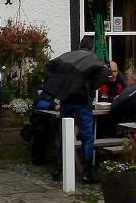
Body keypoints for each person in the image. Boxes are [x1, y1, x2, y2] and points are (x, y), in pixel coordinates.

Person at [41, 37, 108, 183]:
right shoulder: (92, 58)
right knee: (87, 137)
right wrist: (91, 86)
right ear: (91, 48)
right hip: (82, 101)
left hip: (66, 100)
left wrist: (58, 85)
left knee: (63, 134)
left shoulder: (66, 56)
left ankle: (57, 169)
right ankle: (87, 172)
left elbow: (48, 66)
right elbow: (104, 71)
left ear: (79, 46)